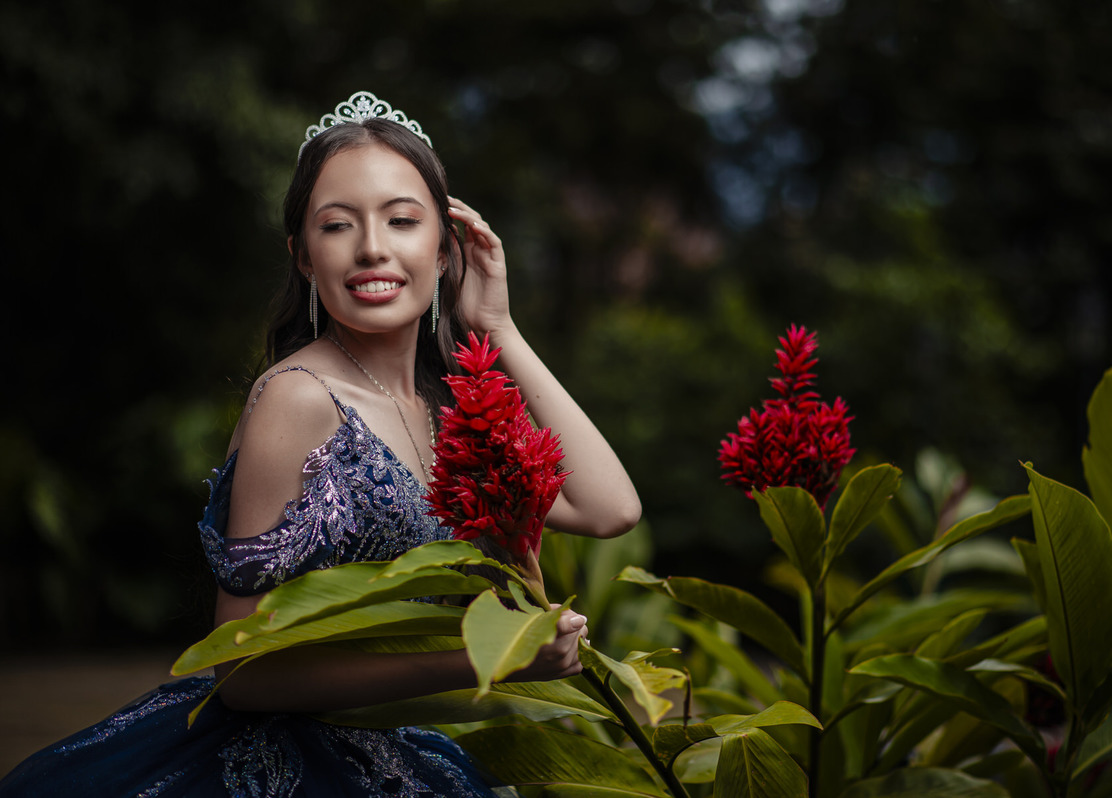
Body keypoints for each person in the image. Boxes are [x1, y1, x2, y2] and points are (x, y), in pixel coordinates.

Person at [0, 90, 642, 797]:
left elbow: (609, 508)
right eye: (337, 225)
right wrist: (486, 658)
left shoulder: (451, 403)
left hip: (407, 755)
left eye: (402, 220)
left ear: (445, 246)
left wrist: (502, 328)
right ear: (304, 257)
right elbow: (243, 674)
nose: (372, 247)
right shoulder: (299, 397)